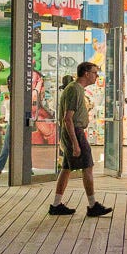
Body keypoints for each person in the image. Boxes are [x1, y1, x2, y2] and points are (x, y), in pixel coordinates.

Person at [49, 62, 112, 218]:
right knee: (88, 167)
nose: (97, 76)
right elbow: (68, 119)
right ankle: (92, 205)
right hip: (75, 132)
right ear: (86, 73)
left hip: (73, 132)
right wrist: (76, 144)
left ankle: (56, 205)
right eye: (95, 73)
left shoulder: (75, 89)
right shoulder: (75, 90)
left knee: (66, 168)